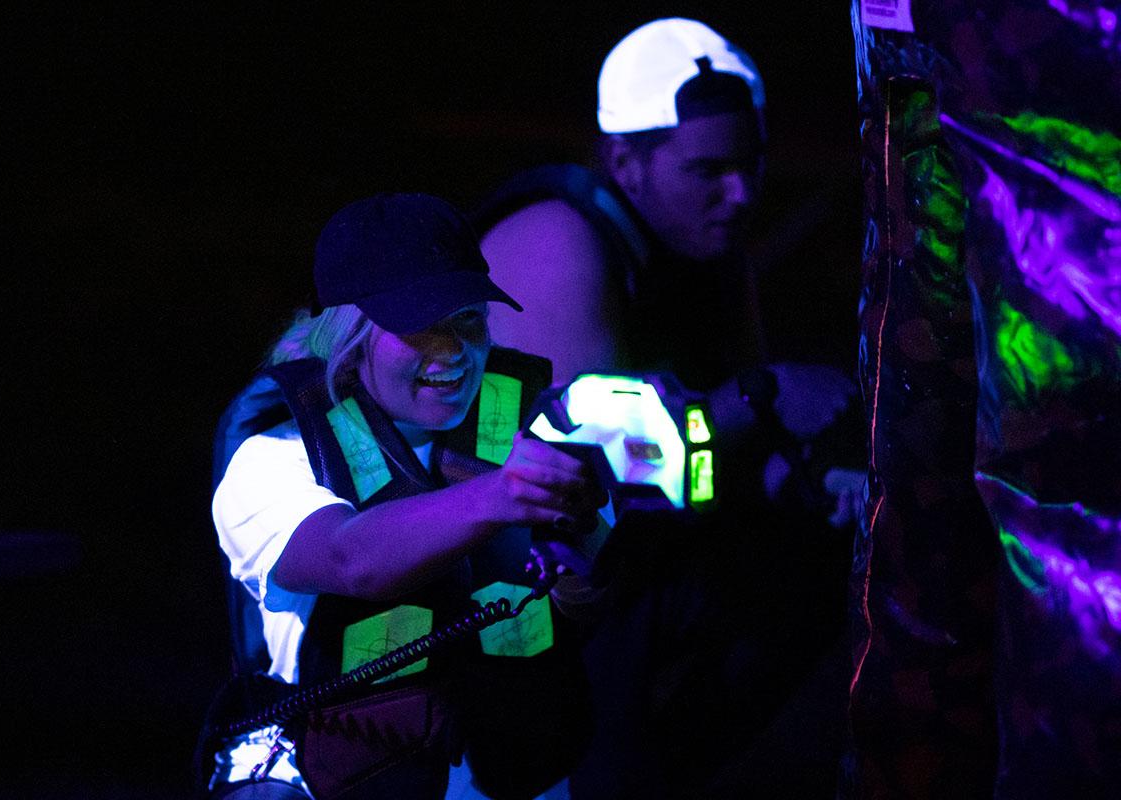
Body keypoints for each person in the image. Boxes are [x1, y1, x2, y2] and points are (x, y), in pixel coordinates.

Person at [473, 19, 864, 797]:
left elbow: (743, 452)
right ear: (626, 160)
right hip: (523, 602)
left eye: (751, 165)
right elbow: (583, 481)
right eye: (709, 170)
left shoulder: (707, 247)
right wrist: (766, 396)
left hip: (647, 586)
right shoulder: (561, 243)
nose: (742, 194)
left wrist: (822, 481)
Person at [205, 193, 603, 800]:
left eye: (469, 318)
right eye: (420, 324)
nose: (453, 350)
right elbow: (349, 557)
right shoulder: (273, 461)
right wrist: (504, 496)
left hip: (514, 771)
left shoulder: (538, 435)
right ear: (350, 332)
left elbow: (588, 610)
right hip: (333, 775)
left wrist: (582, 566)